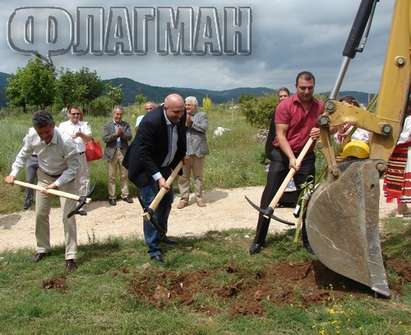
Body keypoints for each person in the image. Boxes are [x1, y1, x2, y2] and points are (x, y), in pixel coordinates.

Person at [249, 71, 324, 255]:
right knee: (270, 196)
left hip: (306, 155)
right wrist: (291, 158)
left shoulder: (319, 106)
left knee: (307, 198)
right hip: (282, 155)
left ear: (314, 87)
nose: (306, 91)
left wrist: (319, 132)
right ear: (296, 86)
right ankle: (259, 240)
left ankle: (309, 240)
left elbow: (328, 127)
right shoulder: (285, 106)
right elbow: (280, 136)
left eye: (310, 88)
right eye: (302, 88)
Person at [4, 111, 81, 272]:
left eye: (47, 131)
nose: (44, 135)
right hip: (44, 177)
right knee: (40, 214)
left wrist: (57, 184)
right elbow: (22, 155)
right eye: (41, 133)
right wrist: (13, 174)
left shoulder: (66, 141)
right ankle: (43, 248)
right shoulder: (32, 135)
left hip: (65, 178)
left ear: (53, 125)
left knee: (68, 216)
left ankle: (71, 255)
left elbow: (74, 168)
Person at [123, 93, 186, 263]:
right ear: (165, 108)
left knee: (166, 203)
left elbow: (181, 138)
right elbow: (144, 153)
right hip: (145, 168)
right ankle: (153, 248)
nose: (179, 116)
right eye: (175, 112)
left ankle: (161, 235)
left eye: (181, 111)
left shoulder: (180, 114)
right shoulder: (150, 121)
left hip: (165, 166)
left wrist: (181, 158)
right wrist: (158, 177)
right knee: (152, 207)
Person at [58, 106, 92, 214]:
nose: (76, 116)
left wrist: (80, 134)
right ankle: (68, 203)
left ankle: (80, 205)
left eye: (78, 114)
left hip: (81, 155)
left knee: (83, 180)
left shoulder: (84, 125)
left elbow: (89, 140)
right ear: (69, 114)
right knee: (68, 180)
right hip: (68, 156)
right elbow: (59, 140)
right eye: (73, 114)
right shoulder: (63, 126)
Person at [177, 96, 209, 208]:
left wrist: (192, 122)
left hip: (198, 152)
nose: (186, 107)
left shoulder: (202, 115)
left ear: (195, 106)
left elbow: (204, 128)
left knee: (198, 177)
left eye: (189, 105)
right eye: (185, 105)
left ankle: (199, 198)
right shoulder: (181, 116)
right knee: (183, 177)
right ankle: (184, 199)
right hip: (185, 152)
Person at [383, 101, 411, 217]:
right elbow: (406, 136)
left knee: (399, 180)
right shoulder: (409, 120)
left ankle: (401, 207)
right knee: (403, 179)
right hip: (405, 151)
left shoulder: (395, 120)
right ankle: (401, 207)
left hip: (394, 150)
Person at [103, 105, 133, 206]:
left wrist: (122, 134)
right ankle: (112, 196)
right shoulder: (108, 125)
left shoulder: (126, 125)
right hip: (112, 152)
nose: (118, 116)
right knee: (111, 176)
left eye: (120, 114)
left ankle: (125, 195)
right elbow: (105, 139)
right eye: (117, 114)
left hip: (123, 151)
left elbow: (129, 137)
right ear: (113, 114)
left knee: (124, 175)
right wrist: (115, 135)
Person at [22, 128, 39, 210]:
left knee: (42, 181)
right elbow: (25, 142)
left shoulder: (46, 131)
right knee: (29, 180)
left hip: (42, 158)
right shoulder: (30, 130)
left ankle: (40, 201)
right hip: (31, 158)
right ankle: (28, 200)